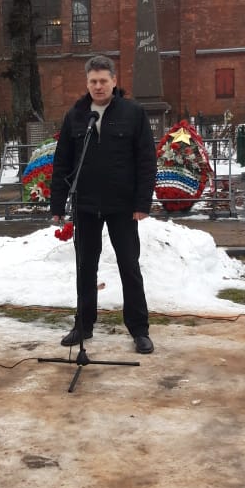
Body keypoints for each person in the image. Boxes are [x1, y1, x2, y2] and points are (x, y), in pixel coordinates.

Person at [50, 55, 157, 354]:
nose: (98, 86)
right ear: (87, 83)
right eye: (93, 81)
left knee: (129, 266)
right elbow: (62, 162)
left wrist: (142, 202)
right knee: (85, 267)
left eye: (103, 81)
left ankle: (139, 329)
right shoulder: (76, 115)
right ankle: (83, 325)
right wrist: (57, 205)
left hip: (122, 205)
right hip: (85, 205)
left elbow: (146, 160)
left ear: (114, 81)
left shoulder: (132, 113)